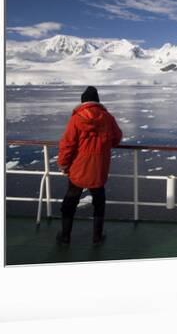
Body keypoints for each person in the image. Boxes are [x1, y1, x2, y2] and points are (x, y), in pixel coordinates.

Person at [56, 86, 123, 245]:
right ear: (98, 101)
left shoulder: (77, 118)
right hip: (99, 168)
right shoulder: (107, 117)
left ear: (83, 101)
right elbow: (117, 138)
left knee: (70, 202)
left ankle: (65, 236)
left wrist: (63, 164)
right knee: (99, 202)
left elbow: (68, 144)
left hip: (78, 168)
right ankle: (97, 237)